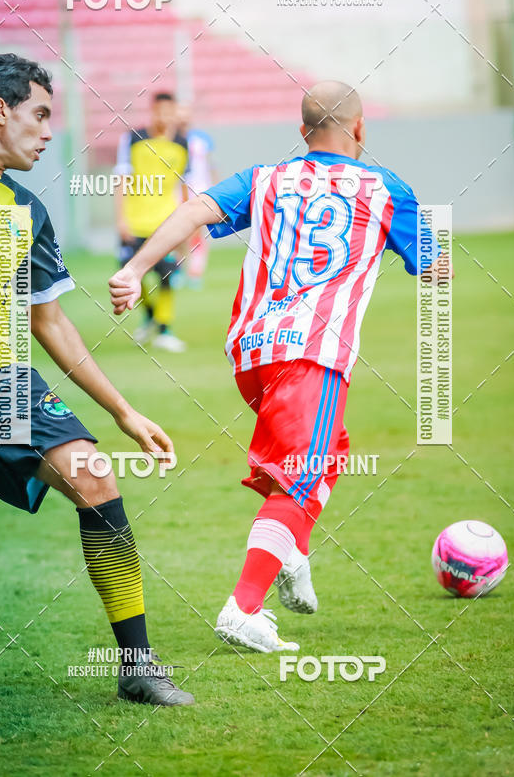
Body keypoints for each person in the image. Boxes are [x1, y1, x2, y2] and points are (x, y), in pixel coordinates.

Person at [109, 80, 451, 653]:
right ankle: (243, 607)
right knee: (298, 480)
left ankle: (294, 550)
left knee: (328, 450)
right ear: (361, 129)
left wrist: (135, 268)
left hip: (251, 352)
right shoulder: (388, 188)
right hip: (313, 354)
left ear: (303, 134)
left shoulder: (266, 177)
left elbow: (193, 208)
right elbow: (435, 270)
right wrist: (434, 251)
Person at [0, 53, 193, 704]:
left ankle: (137, 664)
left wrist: (124, 412)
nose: (49, 134)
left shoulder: (24, 211)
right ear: (0, 110)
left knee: (95, 476)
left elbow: (50, 322)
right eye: (40, 115)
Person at [115, 92, 188, 352]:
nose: (164, 117)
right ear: (153, 112)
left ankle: (165, 329)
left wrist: (187, 224)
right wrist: (121, 219)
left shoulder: (182, 143)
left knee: (167, 274)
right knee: (128, 274)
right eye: (160, 112)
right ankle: (149, 315)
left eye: (169, 112)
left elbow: (183, 185)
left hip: (166, 222)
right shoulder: (133, 139)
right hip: (135, 222)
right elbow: (121, 179)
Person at [177, 104, 216, 289]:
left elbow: (210, 165)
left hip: (200, 190)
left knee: (197, 231)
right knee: (177, 231)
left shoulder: (202, 139)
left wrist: (215, 188)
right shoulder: (171, 140)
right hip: (177, 190)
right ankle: (177, 269)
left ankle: (195, 271)